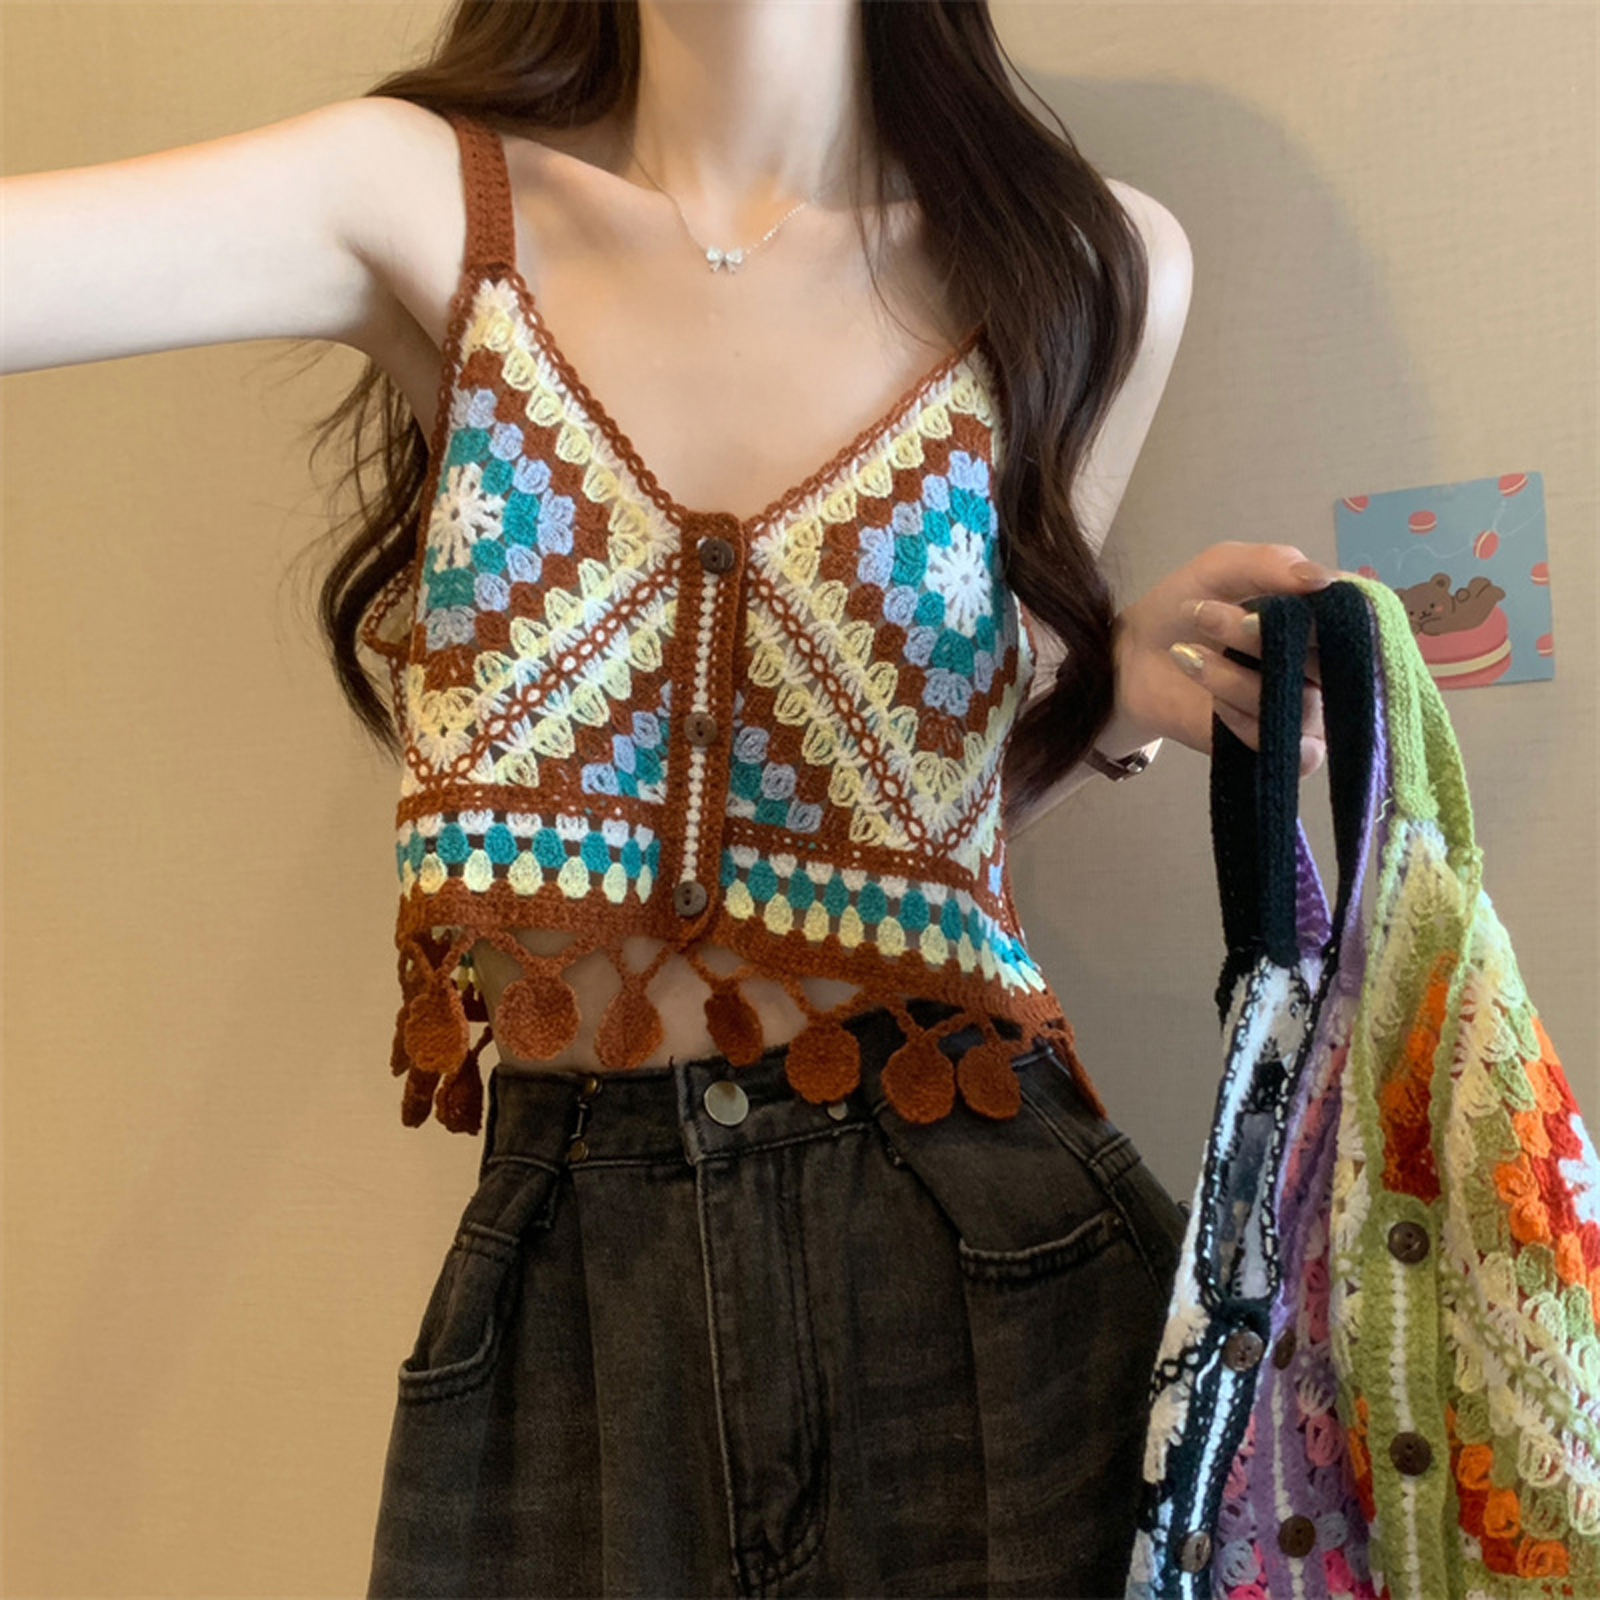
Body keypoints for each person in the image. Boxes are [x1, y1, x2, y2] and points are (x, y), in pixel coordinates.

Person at [1, 2, 1353, 1593]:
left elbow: (939, 827)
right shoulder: (419, 203)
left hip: (986, 1251)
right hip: (571, 1275)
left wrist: (1104, 695)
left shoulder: (1087, 263)